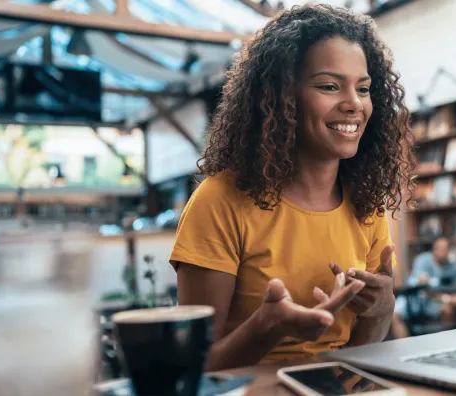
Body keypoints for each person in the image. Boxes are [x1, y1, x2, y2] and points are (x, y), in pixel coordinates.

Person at [169, 4, 415, 371]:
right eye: (329, 86)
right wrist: (266, 327)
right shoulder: (220, 200)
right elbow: (193, 368)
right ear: (282, 96)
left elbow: (358, 360)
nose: (354, 104)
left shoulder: (367, 205)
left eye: (363, 89)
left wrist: (381, 310)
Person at [391, 237, 456, 339]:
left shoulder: (454, 268)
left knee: (448, 309)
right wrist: (444, 297)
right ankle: (405, 350)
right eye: (438, 248)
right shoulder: (422, 261)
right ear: (433, 249)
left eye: (444, 249)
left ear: (449, 251)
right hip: (414, 298)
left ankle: (444, 347)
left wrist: (445, 298)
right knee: (394, 314)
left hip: (435, 302)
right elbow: (421, 288)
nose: (441, 251)